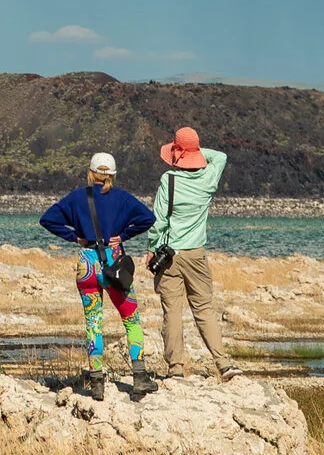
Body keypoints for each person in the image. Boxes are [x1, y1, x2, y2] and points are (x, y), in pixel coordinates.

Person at [39, 151, 154, 397]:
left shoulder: (77, 197)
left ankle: (97, 382)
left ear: (91, 173)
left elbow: (47, 219)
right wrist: (123, 236)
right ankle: (140, 377)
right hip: (113, 263)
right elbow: (148, 218)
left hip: (86, 264)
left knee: (93, 322)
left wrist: (75, 237)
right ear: (112, 174)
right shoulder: (122, 198)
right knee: (131, 319)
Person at [148, 126, 237, 378]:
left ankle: (176, 369)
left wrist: (151, 249)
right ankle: (224, 364)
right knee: (204, 309)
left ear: (177, 153)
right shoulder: (209, 179)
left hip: (169, 256)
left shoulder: (169, 180)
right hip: (196, 254)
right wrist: (193, 151)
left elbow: (158, 222)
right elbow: (220, 156)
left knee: (173, 312)